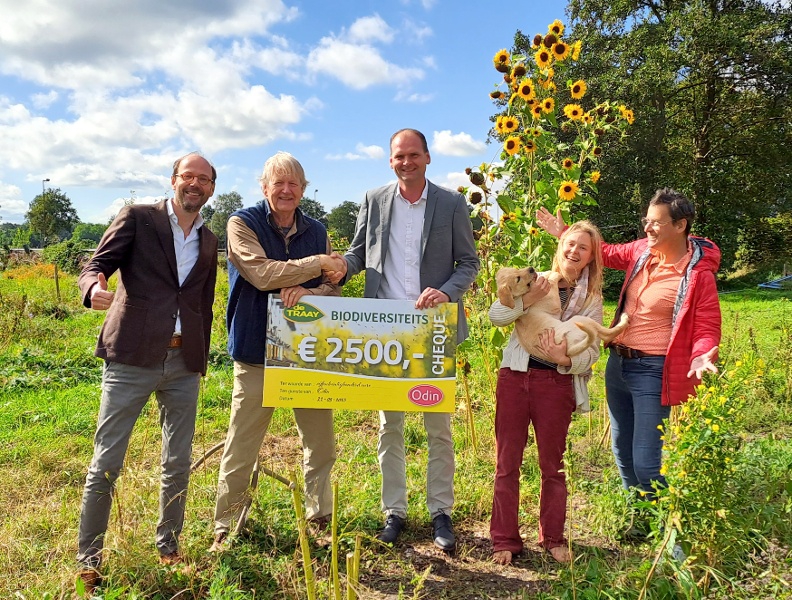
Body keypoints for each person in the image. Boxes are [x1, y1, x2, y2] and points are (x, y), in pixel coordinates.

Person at [330, 128, 480, 552]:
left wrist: (446, 292)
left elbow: (469, 261)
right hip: (384, 329)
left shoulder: (451, 203)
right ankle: (393, 510)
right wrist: (340, 265)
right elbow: (360, 253)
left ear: (428, 158)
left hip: (432, 328)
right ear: (390, 161)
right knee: (388, 427)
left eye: (414, 155)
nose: (406, 162)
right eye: (399, 156)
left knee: (438, 428)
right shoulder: (374, 200)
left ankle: (441, 512)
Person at [75, 152, 219, 592]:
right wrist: (92, 288)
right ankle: (89, 558)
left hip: (182, 364)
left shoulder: (210, 240)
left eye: (204, 179)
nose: (195, 184)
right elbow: (95, 264)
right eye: (188, 176)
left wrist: (199, 360)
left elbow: (203, 304)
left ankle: (168, 547)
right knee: (106, 462)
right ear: (173, 180)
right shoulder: (138, 218)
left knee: (177, 463)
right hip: (131, 358)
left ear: (212, 188)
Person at [537, 189, 721, 521]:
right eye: (646, 221)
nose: (647, 228)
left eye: (656, 223)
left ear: (680, 226)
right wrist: (564, 234)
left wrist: (702, 353)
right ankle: (639, 518)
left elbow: (707, 323)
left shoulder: (696, 275)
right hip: (619, 363)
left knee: (647, 461)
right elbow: (602, 252)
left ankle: (673, 531)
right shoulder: (640, 251)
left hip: (653, 369)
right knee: (621, 449)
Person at [210, 151, 346, 552]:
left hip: (306, 352)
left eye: (294, 184)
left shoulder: (316, 228)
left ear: (303, 190)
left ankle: (319, 516)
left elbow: (332, 288)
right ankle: (227, 525)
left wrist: (310, 289)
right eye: (278, 183)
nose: (286, 190)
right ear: (264, 186)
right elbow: (261, 273)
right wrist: (316, 264)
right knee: (243, 442)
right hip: (255, 350)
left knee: (320, 441)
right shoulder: (241, 223)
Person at [488, 221, 605, 565]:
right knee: (506, 462)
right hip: (515, 377)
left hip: (555, 383)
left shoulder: (591, 299)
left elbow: (593, 350)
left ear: (590, 258)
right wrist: (530, 301)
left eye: (583, 248)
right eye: (570, 244)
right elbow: (496, 315)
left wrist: (564, 358)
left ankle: (553, 538)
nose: (574, 252)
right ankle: (505, 540)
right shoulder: (533, 279)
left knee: (552, 465)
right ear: (560, 246)